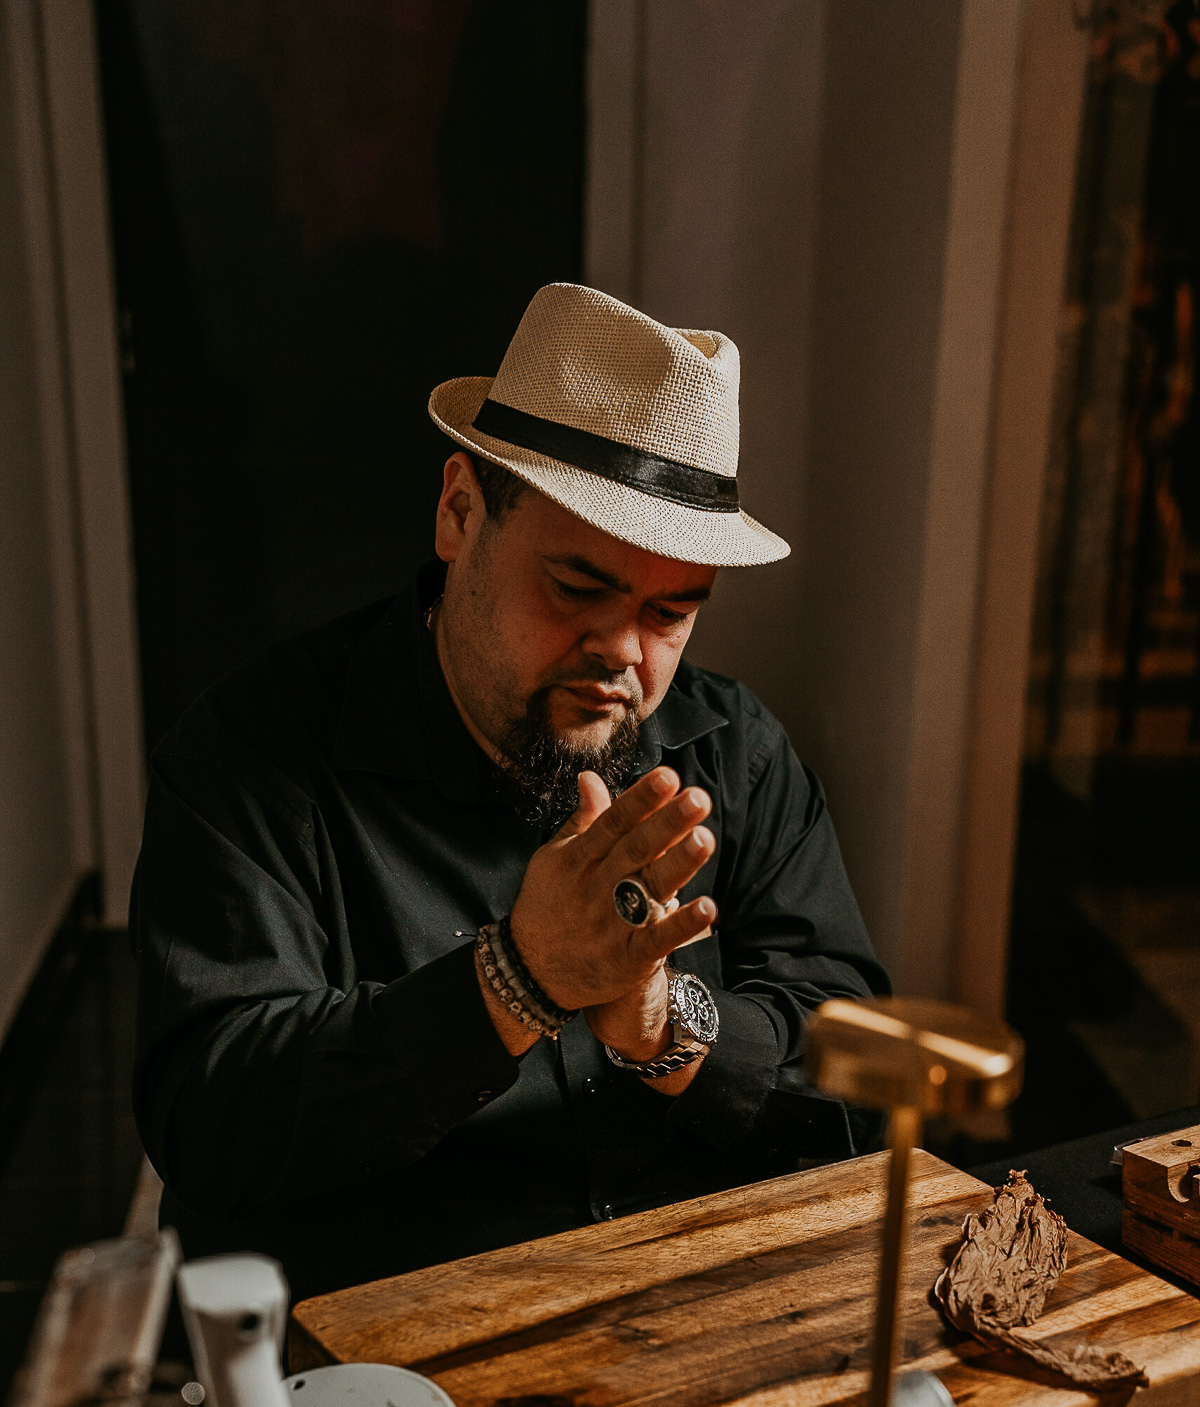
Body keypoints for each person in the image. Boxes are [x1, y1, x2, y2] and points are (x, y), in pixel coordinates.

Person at [131, 284, 887, 1301]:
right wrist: (511, 982)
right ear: (458, 513)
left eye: (671, 611)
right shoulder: (250, 754)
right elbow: (212, 1128)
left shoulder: (736, 749)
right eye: (578, 587)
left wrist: (672, 1028)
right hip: (394, 1352)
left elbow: (860, 1077)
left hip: (685, 1305)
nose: (624, 648)